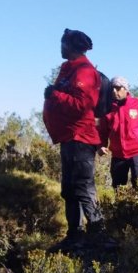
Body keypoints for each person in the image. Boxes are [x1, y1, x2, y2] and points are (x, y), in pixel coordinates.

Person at [43, 28, 109, 251]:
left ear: (71, 46)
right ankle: (74, 235)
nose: (60, 47)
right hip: (69, 137)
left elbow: (82, 106)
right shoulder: (68, 69)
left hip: (81, 137)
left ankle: (99, 234)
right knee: (69, 188)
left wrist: (54, 95)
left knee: (83, 186)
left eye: (63, 43)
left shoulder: (84, 71)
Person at [98, 76, 138, 188]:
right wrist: (100, 146)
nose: (114, 91)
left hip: (137, 153)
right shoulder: (108, 109)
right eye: (112, 88)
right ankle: (120, 206)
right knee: (118, 188)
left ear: (126, 89)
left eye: (118, 88)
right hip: (118, 155)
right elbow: (102, 131)